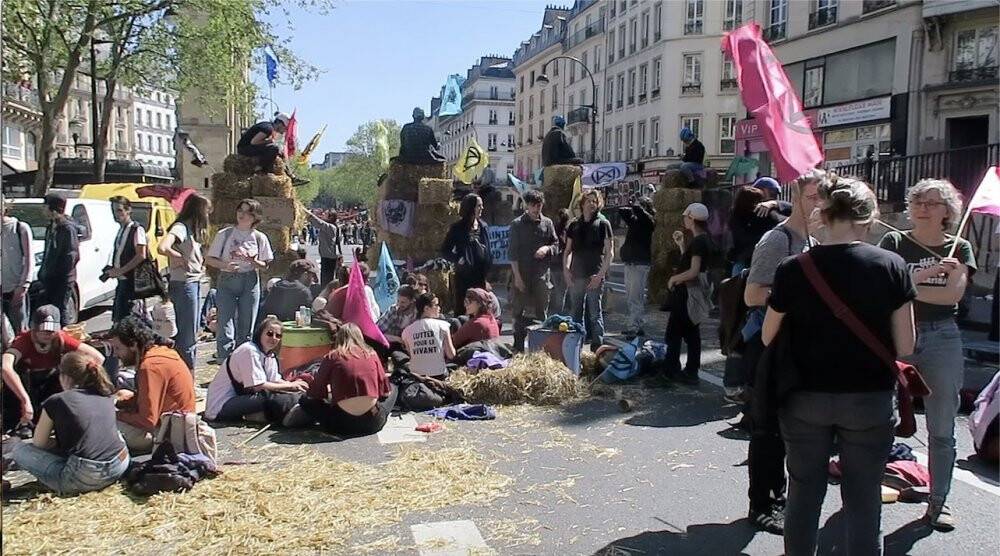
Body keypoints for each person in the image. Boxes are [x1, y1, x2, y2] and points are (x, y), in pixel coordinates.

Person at [762, 176, 916, 556]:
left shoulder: (793, 268)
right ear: (869, 218)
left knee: (803, 492)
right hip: (868, 398)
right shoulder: (891, 265)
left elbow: (768, 336)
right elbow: (906, 345)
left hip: (804, 397)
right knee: (864, 498)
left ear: (823, 213)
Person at [878, 178, 976, 531]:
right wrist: (930, 274)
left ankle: (939, 502)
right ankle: (869, 488)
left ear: (947, 210)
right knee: (879, 416)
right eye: (918, 201)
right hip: (895, 333)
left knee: (942, 426)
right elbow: (883, 288)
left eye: (932, 203)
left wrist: (907, 284)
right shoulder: (893, 242)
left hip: (941, 337)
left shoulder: (959, 247)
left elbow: (951, 296)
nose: (922, 208)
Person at [741, 170, 822, 534]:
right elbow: (752, 295)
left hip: (800, 346)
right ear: (798, 197)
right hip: (772, 346)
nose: (819, 205)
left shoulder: (813, 241)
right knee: (768, 430)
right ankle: (762, 504)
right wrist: (795, 298)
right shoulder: (778, 240)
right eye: (813, 197)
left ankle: (780, 497)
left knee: (791, 429)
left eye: (824, 198)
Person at [6, 352, 129, 495]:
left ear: (65, 377)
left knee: (19, 449)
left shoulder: (57, 400)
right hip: (120, 464)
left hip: (86, 475)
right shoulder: (105, 393)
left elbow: (39, 443)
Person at [1, 306, 105, 434]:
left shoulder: (61, 339)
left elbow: (97, 357)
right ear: (34, 328)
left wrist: (77, 387)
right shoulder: (24, 341)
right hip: (28, 386)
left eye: (51, 331)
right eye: (43, 330)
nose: (47, 334)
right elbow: (5, 366)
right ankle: (22, 422)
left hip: (51, 383)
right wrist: (25, 400)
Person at [109, 317, 196, 454]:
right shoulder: (161, 352)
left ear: (133, 344)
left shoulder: (150, 366)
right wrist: (122, 404)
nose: (115, 354)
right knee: (122, 395)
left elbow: (147, 421)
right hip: (179, 424)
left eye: (118, 348)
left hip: (168, 433)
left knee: (105, 424)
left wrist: (116, 414)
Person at [298, 323, 398, 436]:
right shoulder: (372, 354)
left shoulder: (332, 356)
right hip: (373, 423)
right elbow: (385, 391)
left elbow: (316, 392)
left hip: (341, 424)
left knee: (305, 400)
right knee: (393, 388)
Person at [205, 199, 274, 361]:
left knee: (247, 323)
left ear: (255, 217)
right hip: (227, 279)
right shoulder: (225, 234)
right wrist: (225, 265)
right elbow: (209, 259)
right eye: (240, 211)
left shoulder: (259, 237)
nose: (242, 215)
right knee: (224, 322)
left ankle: (242, 360)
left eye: (248, 212)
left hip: (250, 279)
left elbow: (266, 265)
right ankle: (224, 360)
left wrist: (254, 262)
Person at [205, 317, 306, 424]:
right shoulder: (249, 351)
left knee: (280, 393)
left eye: (278, 336)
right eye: (269, 334)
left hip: (241, 398)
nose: (273, 338)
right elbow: (258, 386)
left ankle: (264, 415)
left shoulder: (269, 355)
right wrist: (290, 387)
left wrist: (296, 386)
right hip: (220, 406)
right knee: (269, 396)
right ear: (260, 333)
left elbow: (274, 380)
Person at [157, 193, 211, 371]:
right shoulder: (180, 228)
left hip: (192, 283)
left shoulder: (191, 231)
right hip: (184, 284)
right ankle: (186, 375)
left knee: (188, 334)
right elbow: (163, 247)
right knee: (187, 337)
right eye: (206, 211)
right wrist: (178, 257)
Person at [663, 203, 713, 385]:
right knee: (692, 333)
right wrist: (682, 246)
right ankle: (691, 371)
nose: (684, 219)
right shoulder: (702, 239)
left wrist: (674, 279)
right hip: (692, 291)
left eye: (685, 216)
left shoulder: (699, 241)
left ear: (692, 218)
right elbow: (691, 264)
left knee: (673, 333)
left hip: (687, 292)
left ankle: (670, 372)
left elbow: (693, 271)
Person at [508, 190, 559, 352]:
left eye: (539, 205)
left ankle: (540, 349)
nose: (536, 209)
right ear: (527, 205)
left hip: (541, 275)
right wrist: (517, 277)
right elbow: (512, 253)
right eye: (533, 205)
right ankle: (518, 348)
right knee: (519, 313)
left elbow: (556, 244)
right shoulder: (517, 224)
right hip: (522, 274)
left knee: (541, 313)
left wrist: (547, 248)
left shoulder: (547, 223)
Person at [564, 189, 614, 351]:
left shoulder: (603, 224)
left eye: (595, 201)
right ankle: (575, 348)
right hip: (576, 275)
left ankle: (597, 349)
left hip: (594, 274)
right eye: (589, 201)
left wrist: (600, 276)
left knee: (594, 314)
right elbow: (568, 251)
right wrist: (566, 270)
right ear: (582, 203)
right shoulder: (574, 224)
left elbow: (610, 253)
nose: (592, 204)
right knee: (575, 313)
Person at [441, 194, 493, 311]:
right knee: (463, 307)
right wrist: (458, 259)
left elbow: (488, 252)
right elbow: (445, 250)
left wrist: (488, 274)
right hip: (464, 275)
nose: (482, 208)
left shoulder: (483, 227)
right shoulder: (457, 228)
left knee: (480, 307)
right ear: (470, 207)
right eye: (478, 206)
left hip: (480, 275)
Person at [37, 194, 80, 326]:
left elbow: (72, 255)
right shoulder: (51, 226)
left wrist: (59, 275)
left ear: (53, 209)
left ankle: (64, 336)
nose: (43, 209)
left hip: (62, 279)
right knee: (50, 312)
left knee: (60, 311)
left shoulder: (67, 228)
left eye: (45, 206)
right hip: (50, 279)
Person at [618, 196, 656, 338]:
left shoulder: (649, 221)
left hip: (640, 263)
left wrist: (636, 206)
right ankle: (637, 324)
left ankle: (634, 326)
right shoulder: (635, 221)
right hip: (630, 262)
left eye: (639, 205)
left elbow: (641, 213)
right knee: (631, 296)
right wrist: (629, 205)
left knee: (636, 297)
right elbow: (622, 212)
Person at [727, 185, 778, 277]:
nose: (760, 204)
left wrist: (773, 203)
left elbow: (789, 208)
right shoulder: (737, 218)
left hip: (752, 258)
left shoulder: (766, 214)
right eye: (758, 201)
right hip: (746, 259)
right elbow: (742, 238)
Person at [401, 293, 455, 377]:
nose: (439, 308)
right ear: (426, 308)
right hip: (439, 374)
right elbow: (451, 355)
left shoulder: (406, 331)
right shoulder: (443, 326)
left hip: (417, 376)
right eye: (436, 305)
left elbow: (412, 355)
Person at [1, 199, 33, 333]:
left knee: (20, 331)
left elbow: (29, 259)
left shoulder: (20, 228)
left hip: (15, 289)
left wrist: (23, 286)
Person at [258, 259, 320, 326]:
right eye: (312, 276)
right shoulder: (303, 291)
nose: (312, 279)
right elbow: (307, 317)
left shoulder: (277, 286)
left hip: (273, 326)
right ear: (305, 275)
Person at [304, 209, 343, 287]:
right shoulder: (330, 226)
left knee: (327, 280)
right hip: (327, 255)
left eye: (325, 213)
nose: (323, 214)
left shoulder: (331, 227)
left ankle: (327, 291)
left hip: (329, 257)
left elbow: (319, 223)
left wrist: (309, 215)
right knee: (326, 278)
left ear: (330, 217)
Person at [548, 209, 571, 317]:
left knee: (557, 290)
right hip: (564, 264)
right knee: (562, 291)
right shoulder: (569, 230)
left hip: (554, 263)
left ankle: (554, 312)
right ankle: (559, 313)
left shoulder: (554, 229)